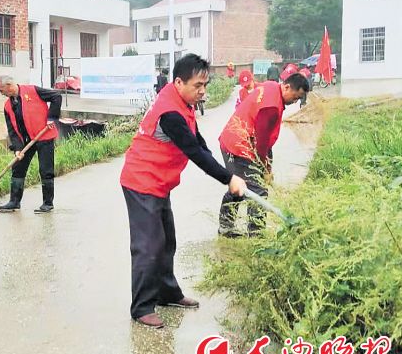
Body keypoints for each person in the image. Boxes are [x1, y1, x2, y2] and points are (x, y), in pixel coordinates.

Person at [119, 54, 247, 328]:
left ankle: (167, 293)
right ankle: (142, 307)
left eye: (205, 85)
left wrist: (226, 174)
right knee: (148, 246)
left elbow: (199, 143)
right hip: (141, 181)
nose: (203, 91)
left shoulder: (183, 104)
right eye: (197, 85)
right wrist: (228, 179)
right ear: (179, 82)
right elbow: (193, 152)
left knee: (167, 241)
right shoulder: (170, 113)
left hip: (159, 182)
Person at [218, 73, 310, 237]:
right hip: (239, 146)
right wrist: (264, 169)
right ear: (287, 87)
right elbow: (261, 141)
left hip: (234, 140)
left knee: (239, 187)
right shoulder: (272, 107)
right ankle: (256, 236)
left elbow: (265, 141)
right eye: (295, 97)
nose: (295, 102)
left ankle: (227, 227)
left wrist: (268, 167)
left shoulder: (271, 86)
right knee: (258, 191)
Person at [0, 75, 62, 213]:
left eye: (1, 90)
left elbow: (56, 96)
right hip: (26, 141)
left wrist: (51, 117)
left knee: (45, 170)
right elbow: (12, 130)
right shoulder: (7, 106)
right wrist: (17, 148)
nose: (1, 94)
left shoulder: (32, 90)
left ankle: (47, 203)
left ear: (9, 85)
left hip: (44, 136)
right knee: (18, 168)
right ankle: (14, 202)